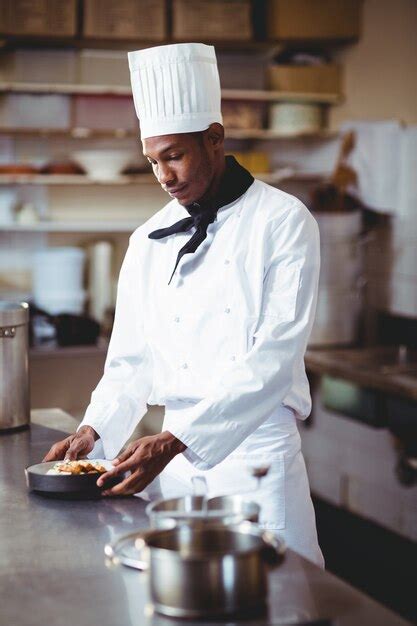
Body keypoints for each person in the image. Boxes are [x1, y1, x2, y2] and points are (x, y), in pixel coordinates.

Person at [43, 43, 323, 567]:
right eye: (153, 162)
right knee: (174, 598)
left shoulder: (284, 222)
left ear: (214, 139)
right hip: (171, 468)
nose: (164, 177)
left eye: (174, 156)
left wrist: (174, 440)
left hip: (258, 466)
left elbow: (273, 360)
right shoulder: (148, 238)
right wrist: (95, 429)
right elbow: (130, 361)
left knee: (281, 600)